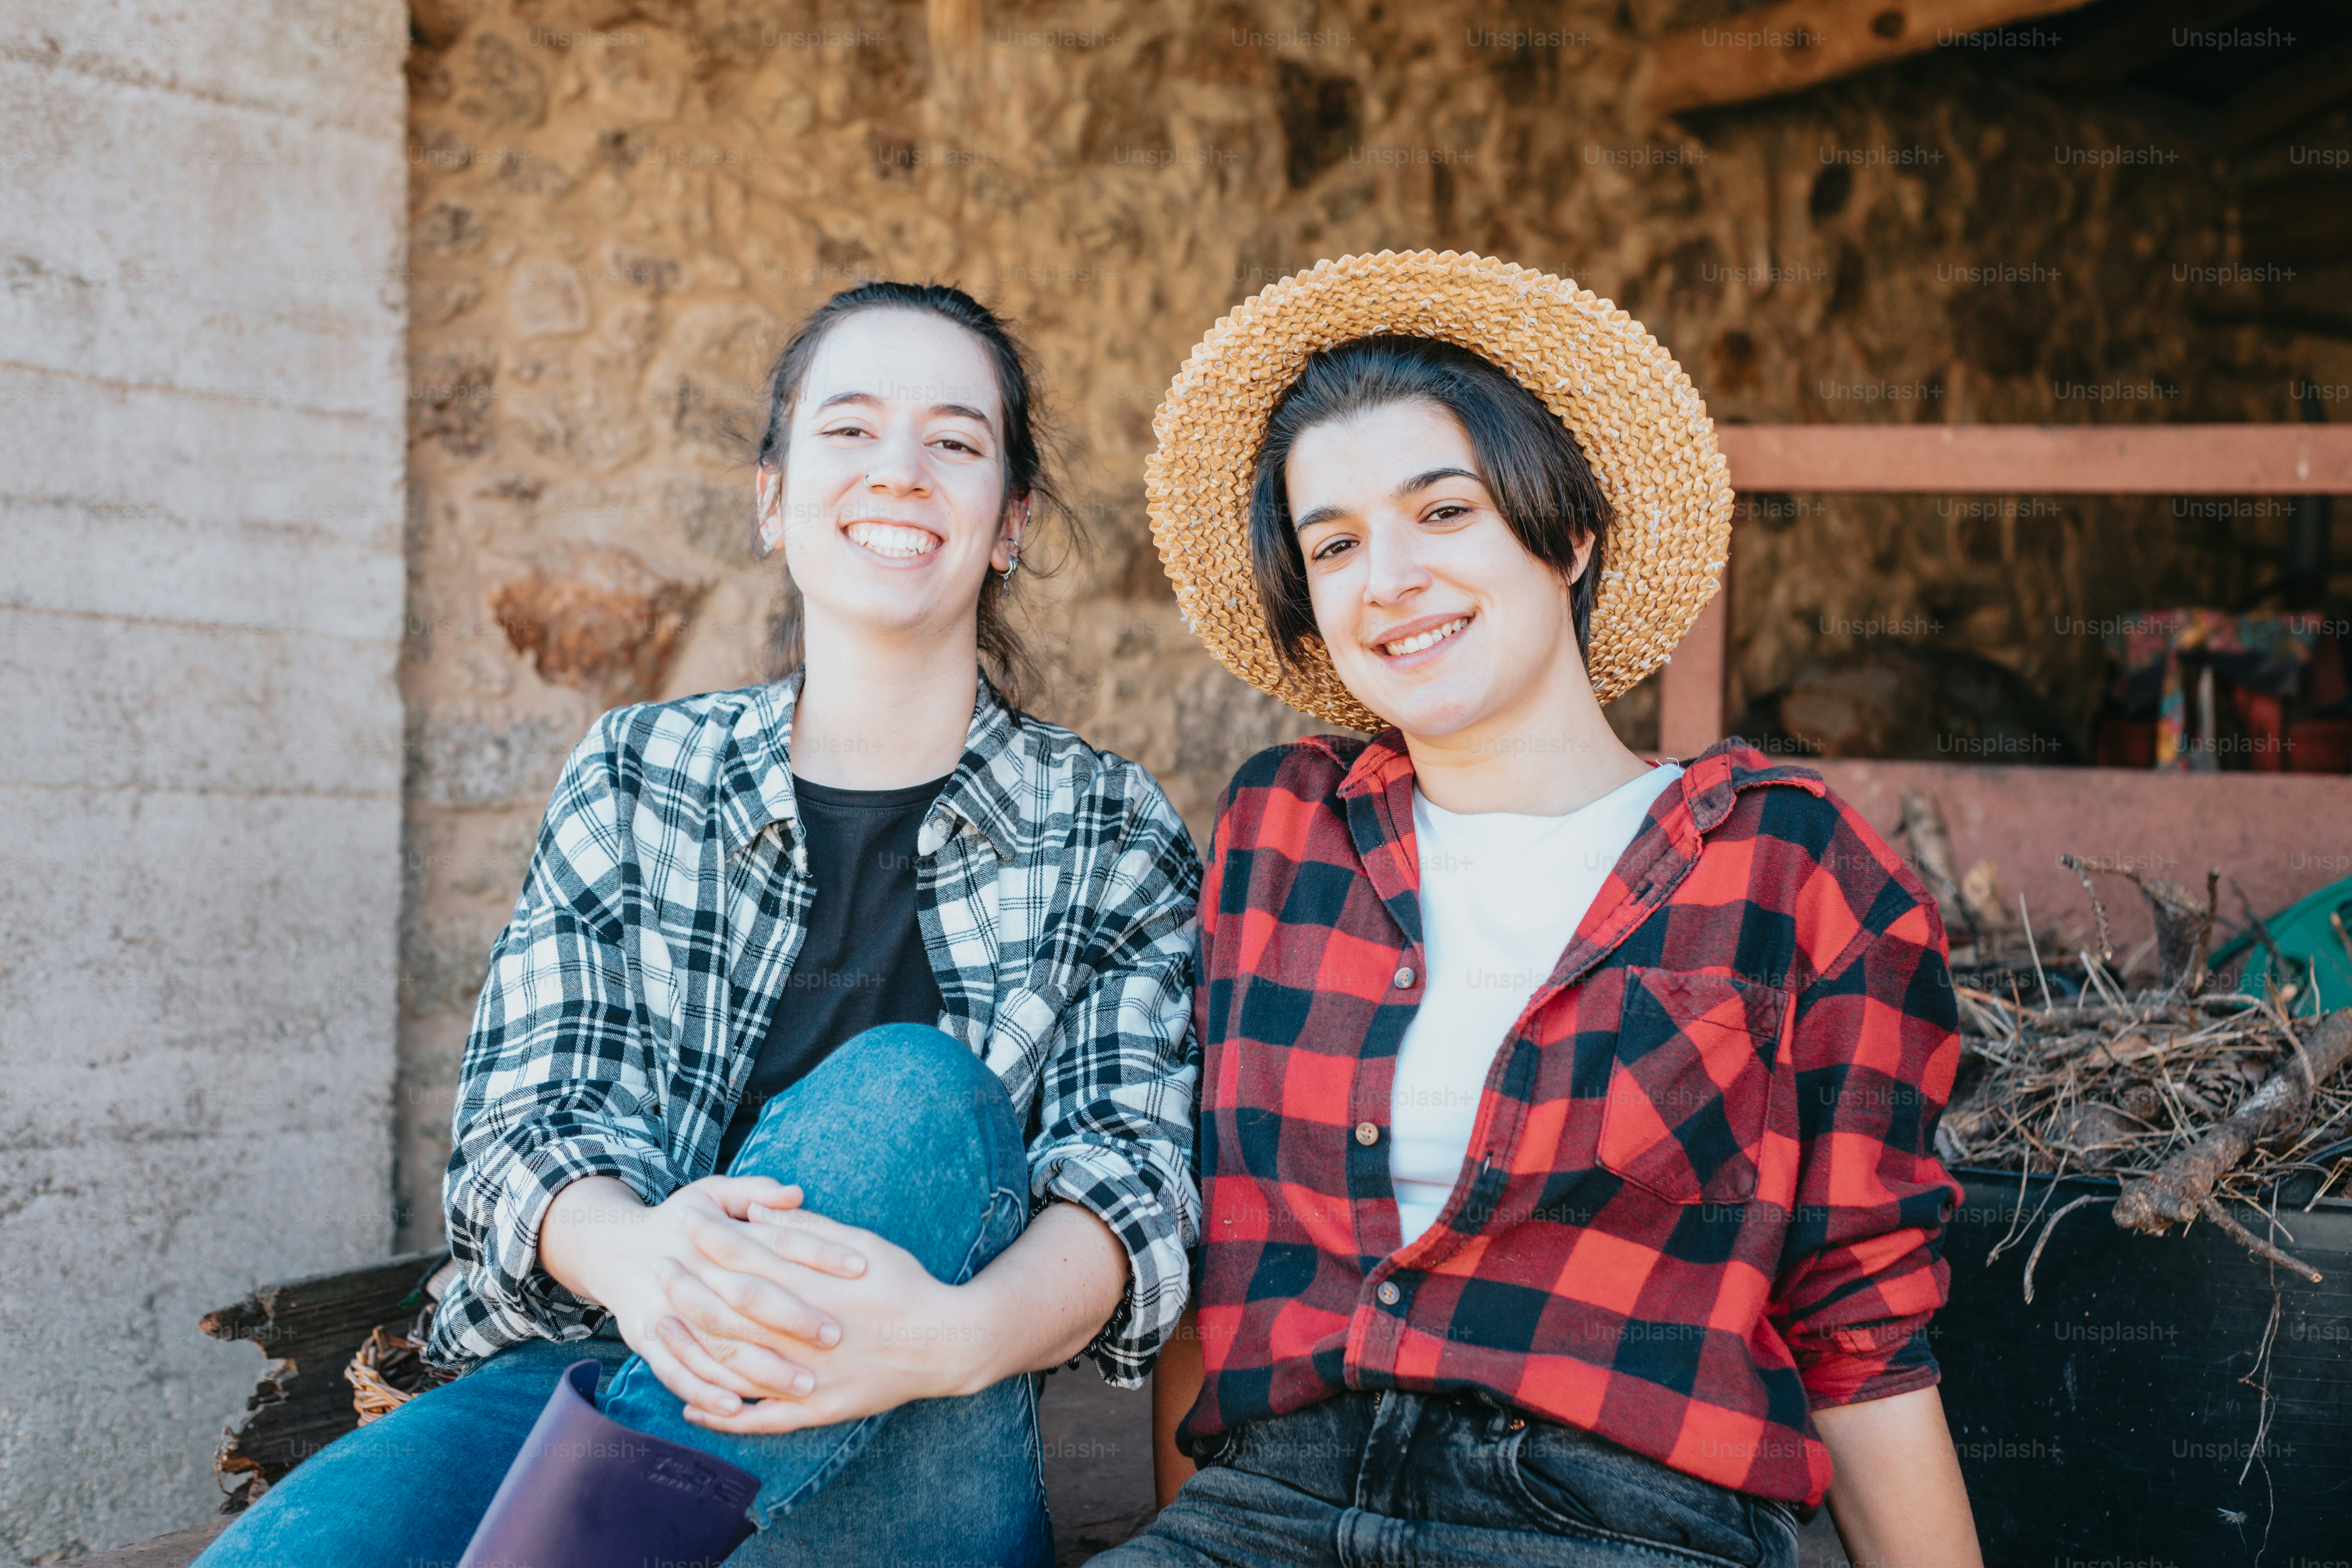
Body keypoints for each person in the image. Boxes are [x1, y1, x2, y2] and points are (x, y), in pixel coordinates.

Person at [195, 281, 1202, 1568]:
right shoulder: (637, 771)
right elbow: (518, 1132)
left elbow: (1134, 1184)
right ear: (773, 496)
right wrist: (644, 1257)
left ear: (1007, 523)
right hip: (587, 1370)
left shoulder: (1107, 826)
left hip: (916, 1427)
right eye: (849, 431)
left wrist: (960, 1336)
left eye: (954, 442)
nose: (900, 472)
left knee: (911, 1096)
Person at [1113, 252, 1982, 1568]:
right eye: (1335, 543)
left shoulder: (1789, 865)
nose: (1387, 577)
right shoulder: (1280, 832)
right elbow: (1218, 1251)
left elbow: (1859, 1328)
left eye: (1443, 512)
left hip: (1612, 1519)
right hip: (1274, 1505)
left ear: (1569, 532)